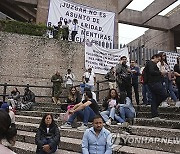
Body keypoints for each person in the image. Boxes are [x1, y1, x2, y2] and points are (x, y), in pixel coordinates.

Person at [145, 54, 168, 120]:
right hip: (154, 83)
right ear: (154, 57)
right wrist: (160, 72)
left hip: (154, 82)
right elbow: (152, 72)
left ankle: (154, 114)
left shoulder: (152, 64)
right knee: (164, 94)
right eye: (158, 59)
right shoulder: (150, 63)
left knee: (154, 98)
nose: (158, 61)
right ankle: (154, 107)